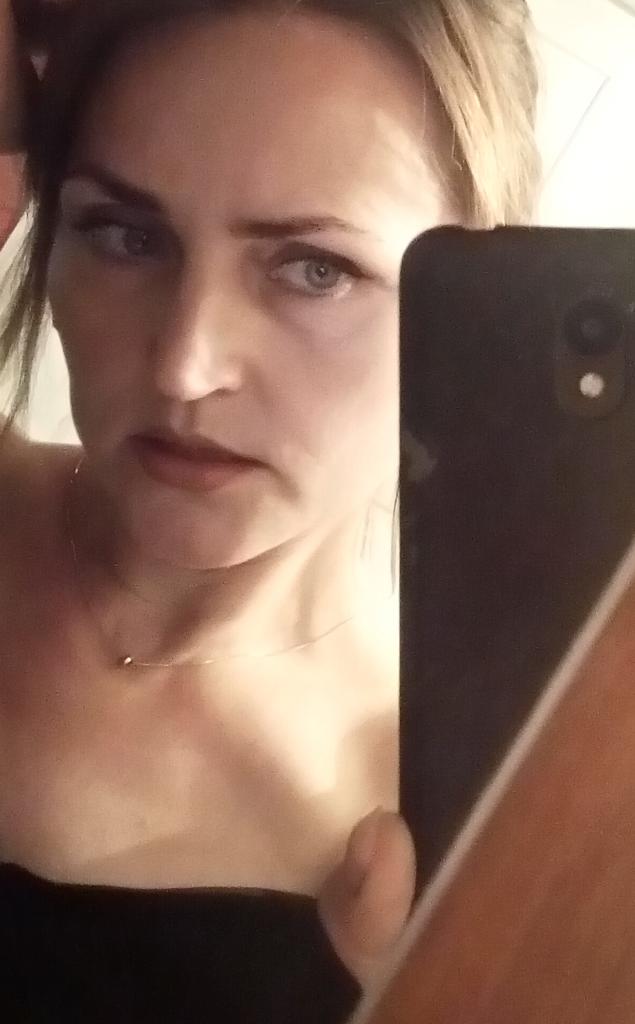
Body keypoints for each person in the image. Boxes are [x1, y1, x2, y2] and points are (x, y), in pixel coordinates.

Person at [0, 0, 541, 1019]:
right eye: (125, 235)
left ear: (470, 304)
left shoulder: (440, 825)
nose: (185, 364)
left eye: (314, 270)